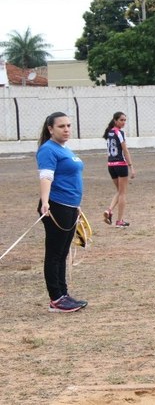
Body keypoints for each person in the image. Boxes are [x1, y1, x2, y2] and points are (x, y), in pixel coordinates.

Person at [36, 112, 88, 312]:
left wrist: (76, 204)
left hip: (70, 206)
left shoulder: (64, 148)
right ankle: (56, 299)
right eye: (61, 126)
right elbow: (46, 176)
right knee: (55, 254)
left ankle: (63, 294)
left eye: (68, 126)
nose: (66, 129)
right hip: (56, 206)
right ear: (50, 129)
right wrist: (46, 201)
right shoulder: (48, 150)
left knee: (63, 253)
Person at [102, 111, 136, 227]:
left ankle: (109, 210)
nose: (123, 122)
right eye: (121, 120)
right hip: (120, 164)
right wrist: (131, 166)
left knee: (119, 191)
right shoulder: (119, 132)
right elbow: (125, 150)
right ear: (115, 120)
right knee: (123, 193)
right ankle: (119, 221)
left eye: (125, 120)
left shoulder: (109, 133)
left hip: (111, 165)